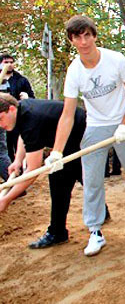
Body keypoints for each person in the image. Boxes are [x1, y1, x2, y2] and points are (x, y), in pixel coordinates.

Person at [46, 15, 125, 257]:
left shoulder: (115, 59)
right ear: (72, 40)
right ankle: (95, 231)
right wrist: (57, 151)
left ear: (94, 35)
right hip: (95, 126)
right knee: (91, 181)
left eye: (87, 35)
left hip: (123, 122)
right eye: (77, 37)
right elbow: (68, 115)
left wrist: (124, 125)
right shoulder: (74, 71)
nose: (83, 42)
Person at [0, 94, 108, 248]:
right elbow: (24, 136)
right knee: (81, 176)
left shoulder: (31, 118)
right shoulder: (22, 109)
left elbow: (33, 170)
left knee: (59, 180)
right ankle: (101, 211)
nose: (0, 125)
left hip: (82, 136)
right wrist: (17, 160)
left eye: (0, 119)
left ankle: (57, 232)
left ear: (10, 109)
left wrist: (6, 199)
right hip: (71, 137)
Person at [0, 53, 35, 161]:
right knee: (5, 149)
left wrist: (27, 97)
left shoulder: (21, 80)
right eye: (6, 62)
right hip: (2, 119)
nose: (9, 64)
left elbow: (32, 99)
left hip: (16, 118)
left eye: (11, 62)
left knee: (19, 145)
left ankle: (21, 171)